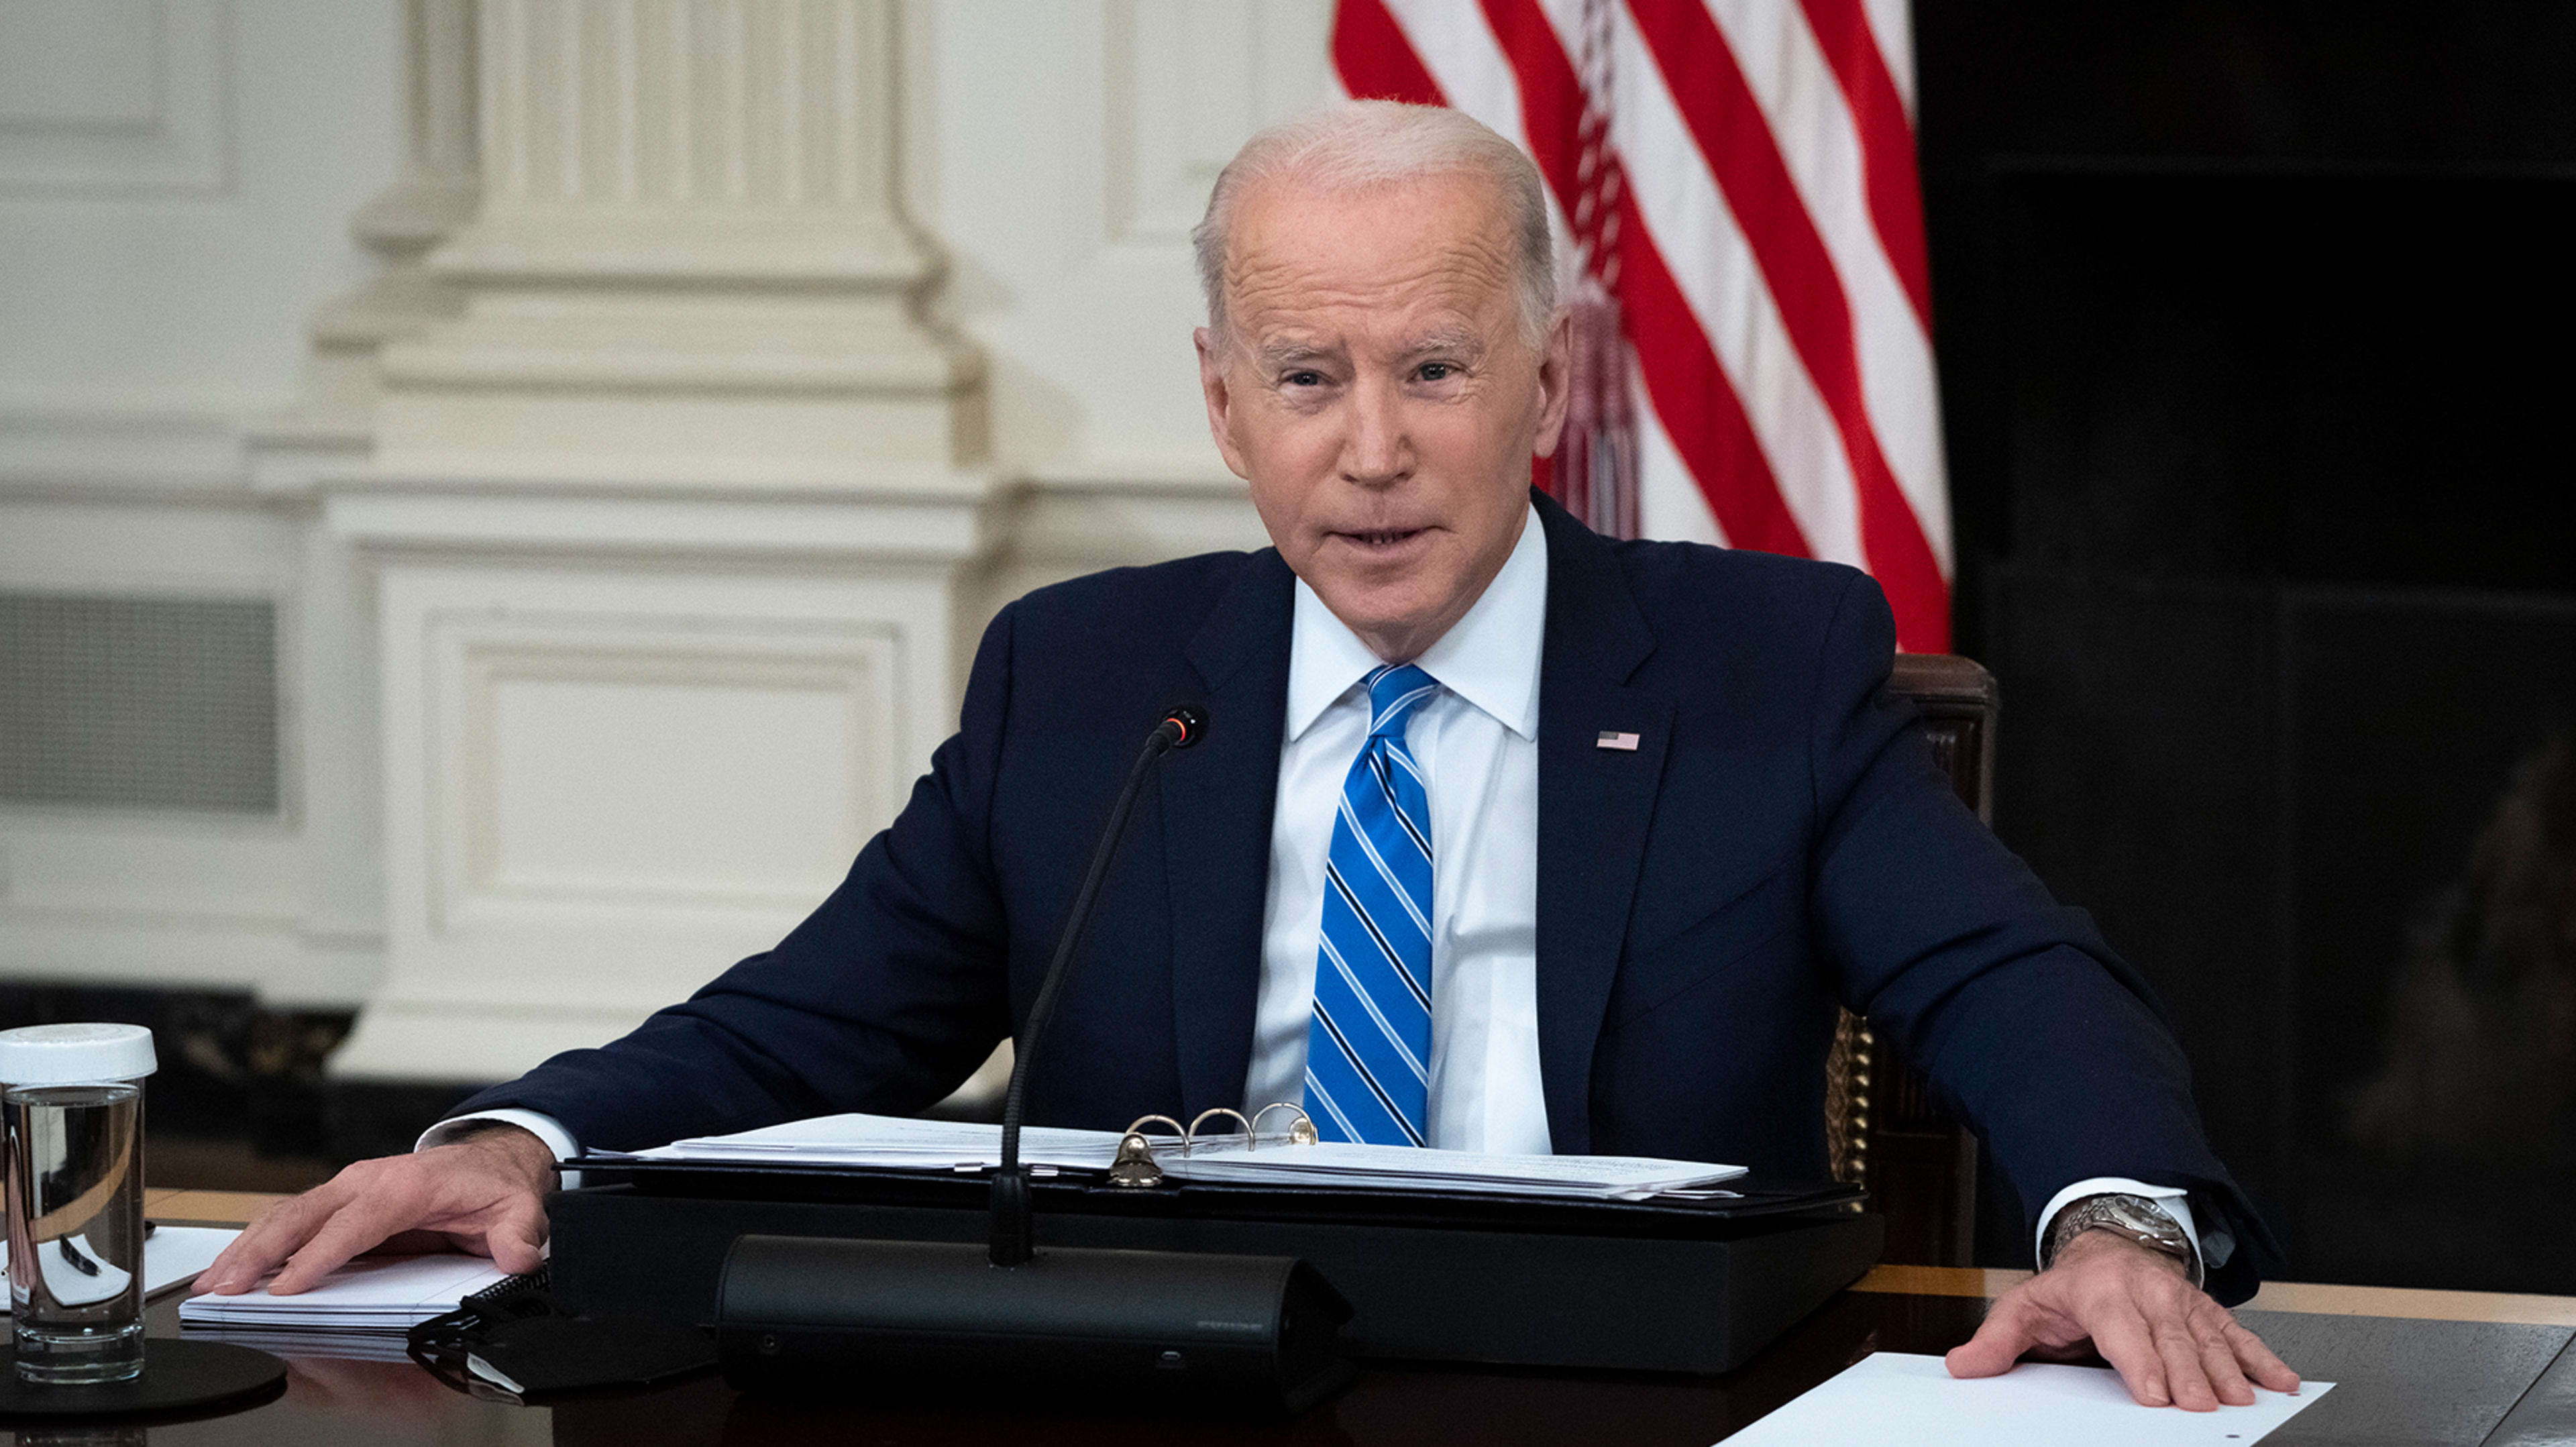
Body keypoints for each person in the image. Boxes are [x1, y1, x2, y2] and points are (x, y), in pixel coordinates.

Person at [197, 101, 2295, 1411]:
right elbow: (812, 1020)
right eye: (1306, 375)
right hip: (1158, 1390)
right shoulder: (1089, 677)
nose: (1368, 448)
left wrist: (2120, 1222)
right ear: (1221, 403)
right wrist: (523, 1147)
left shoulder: (1762, 661)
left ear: (1544, 384)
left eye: (1433, 369)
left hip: (1595, 1391)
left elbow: (2000, 974)